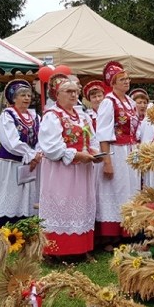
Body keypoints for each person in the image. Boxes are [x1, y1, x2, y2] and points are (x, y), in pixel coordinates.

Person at [37, 75, 102, 260]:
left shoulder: (82, 115)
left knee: (82, 206)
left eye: (76, 91)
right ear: (57, 95)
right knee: (62, 205)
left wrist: (95, 153)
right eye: (69, 91)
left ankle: (81, 248)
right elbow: (50, 147)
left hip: (82, 171)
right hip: (61, 172)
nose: (74, 95)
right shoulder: (52, 116)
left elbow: (93, 138)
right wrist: (75, 155)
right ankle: (57, 251)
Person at [95, 61, 141, 248]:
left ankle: (128, 232)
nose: (126, 82)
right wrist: (107, 161)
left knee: (130, 190)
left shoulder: (130, 102)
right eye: (122, 79)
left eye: (127, 79)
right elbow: (103, 134)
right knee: (114, 191)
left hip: (131, 150)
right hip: (115, 151)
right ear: (113, 82)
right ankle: (110, 235)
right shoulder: (108, 102)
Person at [0, 79, 42, 228]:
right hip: (12, 163)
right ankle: (4, 229)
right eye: (23, 95)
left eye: (29, 95)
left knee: (28, 194)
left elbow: (41, 138)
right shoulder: (8, 115)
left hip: (31, 164)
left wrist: (37, 154)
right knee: (11, 193)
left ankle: (26, 229)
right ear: (14, 98)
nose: (27, 98)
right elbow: (10, 141)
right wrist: (30, 155)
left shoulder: (35, 117)